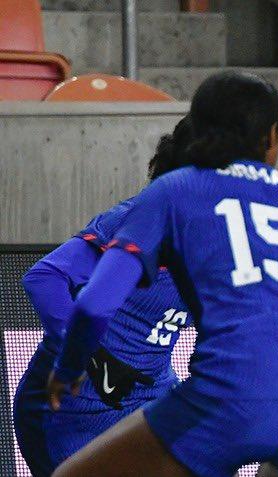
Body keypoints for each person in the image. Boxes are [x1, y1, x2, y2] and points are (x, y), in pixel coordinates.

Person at [46, 71, 278, 477]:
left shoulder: (176, 190)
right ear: (272, 137)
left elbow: (94, 306)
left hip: (236, 396)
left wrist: (68, 369)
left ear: (196, 129)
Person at [15, 117, 194, 476]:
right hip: (71, 409)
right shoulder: (135, 221)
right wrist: (85, 353)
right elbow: (45, 277)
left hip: (148, 396)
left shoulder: (223, 237)